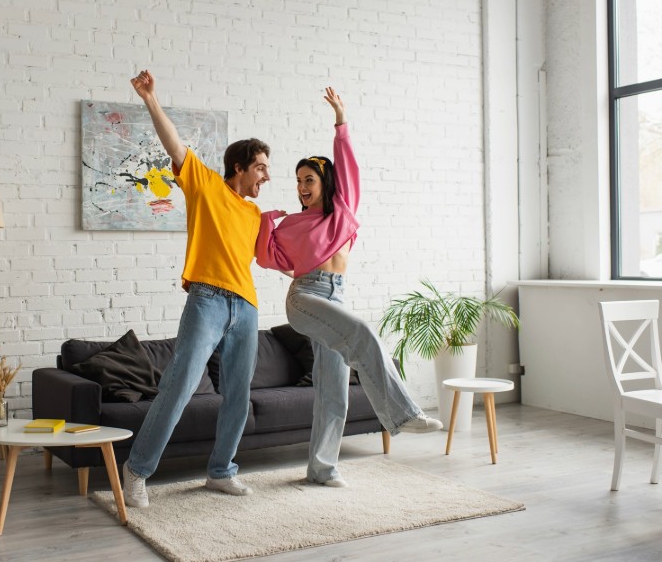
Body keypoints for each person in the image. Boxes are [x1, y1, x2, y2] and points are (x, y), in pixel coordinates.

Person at [255, 87, 442, 488]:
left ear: (324, 182)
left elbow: (349, 166)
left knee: (333, 389)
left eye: (309, 179)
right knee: (363, 332)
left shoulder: (341, 214)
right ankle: (403, 414)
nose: (302, 187)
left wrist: (341, 121)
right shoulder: (291, 224)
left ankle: (322, 469)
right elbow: (269, 258)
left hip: (335, 294)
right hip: (305, 297)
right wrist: (267, 222)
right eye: (298, 181)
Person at [122, 69, 271, 508]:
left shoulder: (255, 215)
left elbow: (277, 257)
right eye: (261, 168)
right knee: (180, 385)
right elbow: (174, 145)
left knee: (239, 393)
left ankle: (221, 471)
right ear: (239, 167)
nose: (266, 176)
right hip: (206, 299)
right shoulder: (205, 185)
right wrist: (151, 100)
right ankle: (136, 472)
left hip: (246, 306)